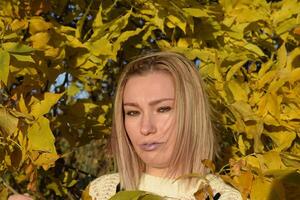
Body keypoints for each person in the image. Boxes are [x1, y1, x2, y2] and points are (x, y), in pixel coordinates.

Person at [85, 51, 242, 200]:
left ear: (192, 114)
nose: (146, 128)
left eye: (163, 109)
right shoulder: (101, 193)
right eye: (133, 112)